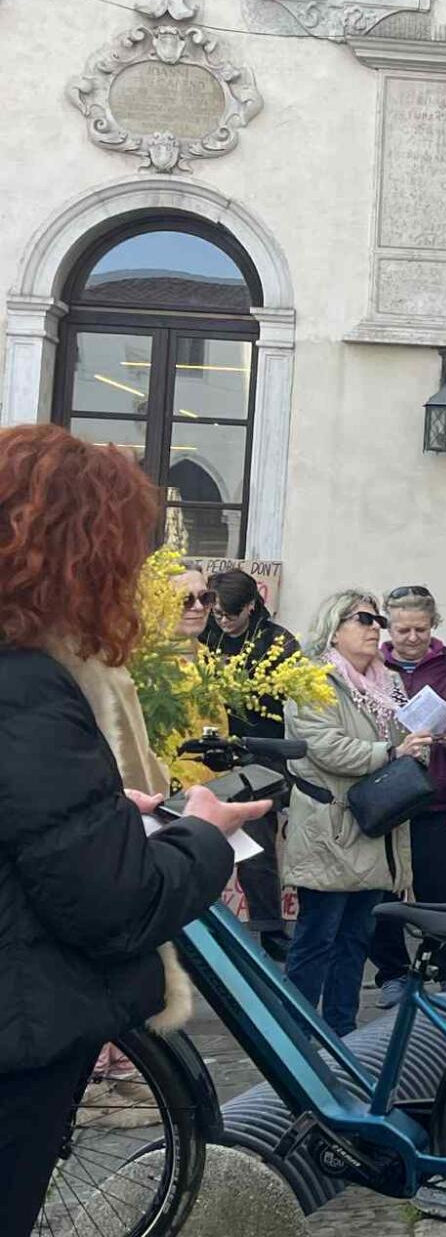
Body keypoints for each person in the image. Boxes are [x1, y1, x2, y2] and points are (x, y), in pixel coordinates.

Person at [0, 424, 269, 1235]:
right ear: (75, 556)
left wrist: (108, 811)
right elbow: (114, 902)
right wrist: (208, 832)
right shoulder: (28, 690)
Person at [283, 589, 430, 1036]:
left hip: (375, 825)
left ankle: (340, 1031)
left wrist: (422, 742)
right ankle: (297, 1036)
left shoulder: (389, 683)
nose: (374, 628)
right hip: (330, 827)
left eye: (377, 621)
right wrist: (391, 751)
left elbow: (402, 735)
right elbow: (323, 746)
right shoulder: (311, 679)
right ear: (335, 626)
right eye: (363, 619)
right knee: (317, 939)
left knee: (355, 941)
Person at [368, 585, 446, 1001]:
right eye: (403, 629)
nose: (412, 637)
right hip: (389, 797)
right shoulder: (370, 667)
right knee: (385, 892)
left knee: (443, 890)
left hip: (439, 797)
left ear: (433, 626)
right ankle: (392, 974)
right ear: (389, 627)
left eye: (420, 629)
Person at [199, 568, 299, 961]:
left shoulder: (277, 641)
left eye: (230, 615)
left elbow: (292, 703)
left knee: (256, 841)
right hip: (211, 748)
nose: (222, 621)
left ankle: (269, 927)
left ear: (252, 606)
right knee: (200, 837)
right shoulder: (205, 631)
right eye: (218, 614)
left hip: (261, 751)